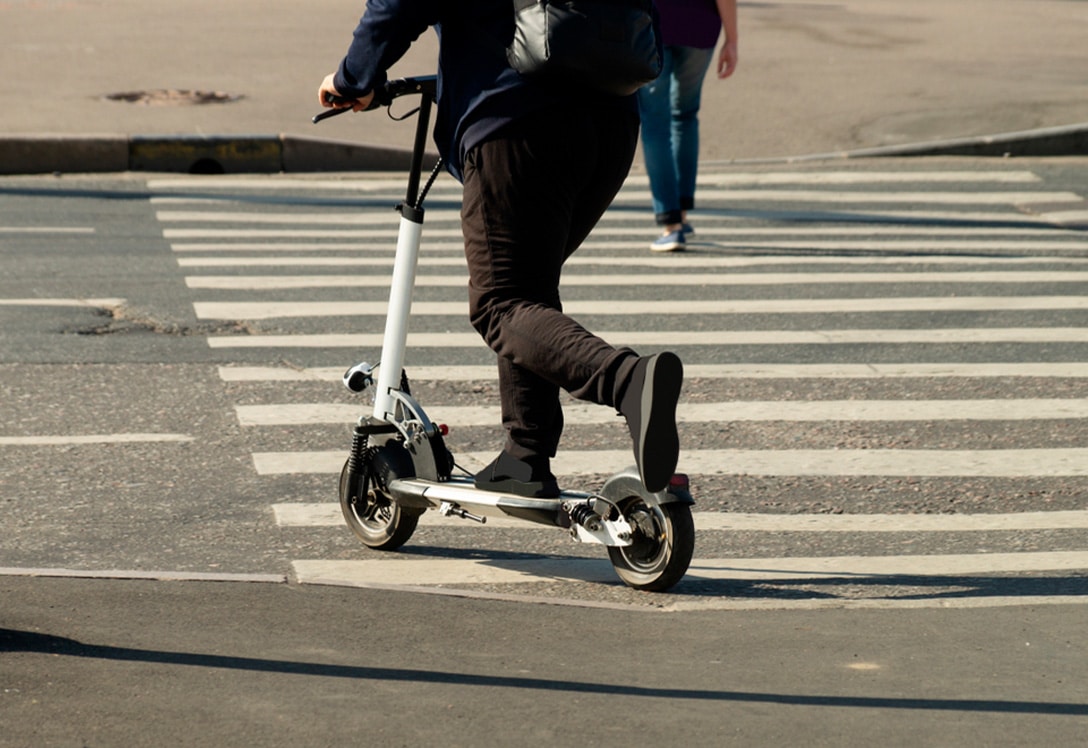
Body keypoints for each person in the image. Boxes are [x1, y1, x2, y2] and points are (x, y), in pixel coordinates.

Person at [318, 1, 683, 498]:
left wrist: (352, 78)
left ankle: (627, 382)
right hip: (612, 123)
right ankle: (524, 457)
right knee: (526, 292)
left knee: (500, 302)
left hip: (515, 120)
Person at [638, 0, 739, 251]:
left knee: (655, 124)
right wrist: (732, 39)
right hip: (699, 28)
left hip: (650, 26)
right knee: (684, 115)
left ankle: (670, 224)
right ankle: (681, 215)